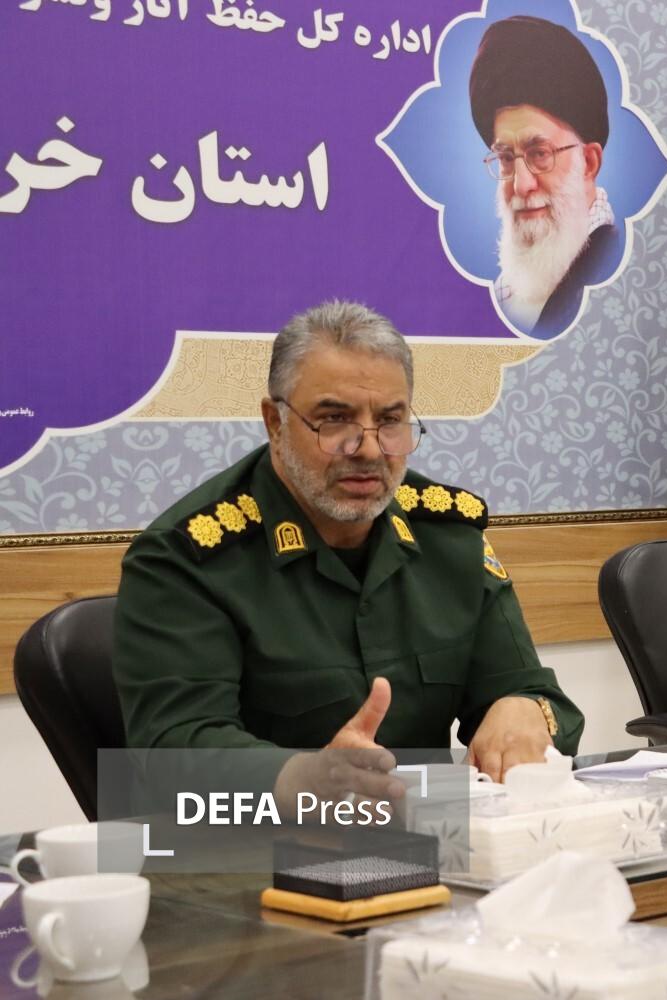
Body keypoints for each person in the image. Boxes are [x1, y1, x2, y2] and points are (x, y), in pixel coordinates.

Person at [113, 300, 582, 795]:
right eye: (335, 420)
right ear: (275, 422)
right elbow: (171, 750)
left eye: (391, 420)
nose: (370, 449)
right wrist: (300, 780)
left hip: (429, 833)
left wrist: (522, 709)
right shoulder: (186, 559)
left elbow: (536, 693)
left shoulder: (448, 534)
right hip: (263, 837)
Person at [468, 16, 623, 339]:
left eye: (539, 154)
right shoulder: (506, 293)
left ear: (589, 163)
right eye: (506, 158)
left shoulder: (616, 269)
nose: (521, 185)